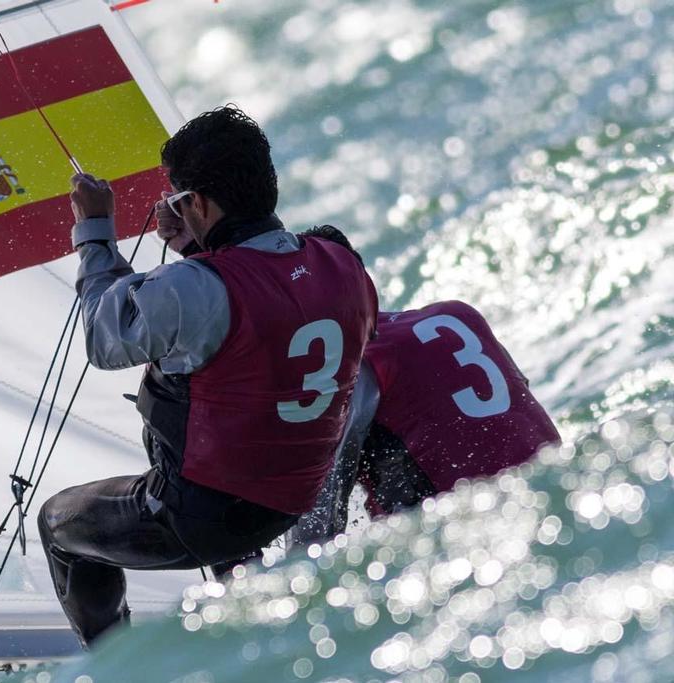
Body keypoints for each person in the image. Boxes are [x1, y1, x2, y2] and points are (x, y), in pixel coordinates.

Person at [37, 106, 379, 647]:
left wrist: (94, 232)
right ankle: (248, 618)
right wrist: (196, 242)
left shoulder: (195, 287)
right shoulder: (341, 264)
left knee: (58, 525)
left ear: (196, 201)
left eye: (179, 199)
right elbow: (268, 308)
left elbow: (106, 339)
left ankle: (114, 668)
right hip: (295, 495)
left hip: (207, 518)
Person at [294, 243, 561, 541]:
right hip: (555, 488)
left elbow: (318, 527)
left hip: (474, 528)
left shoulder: (355, 366)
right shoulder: (459, 314)